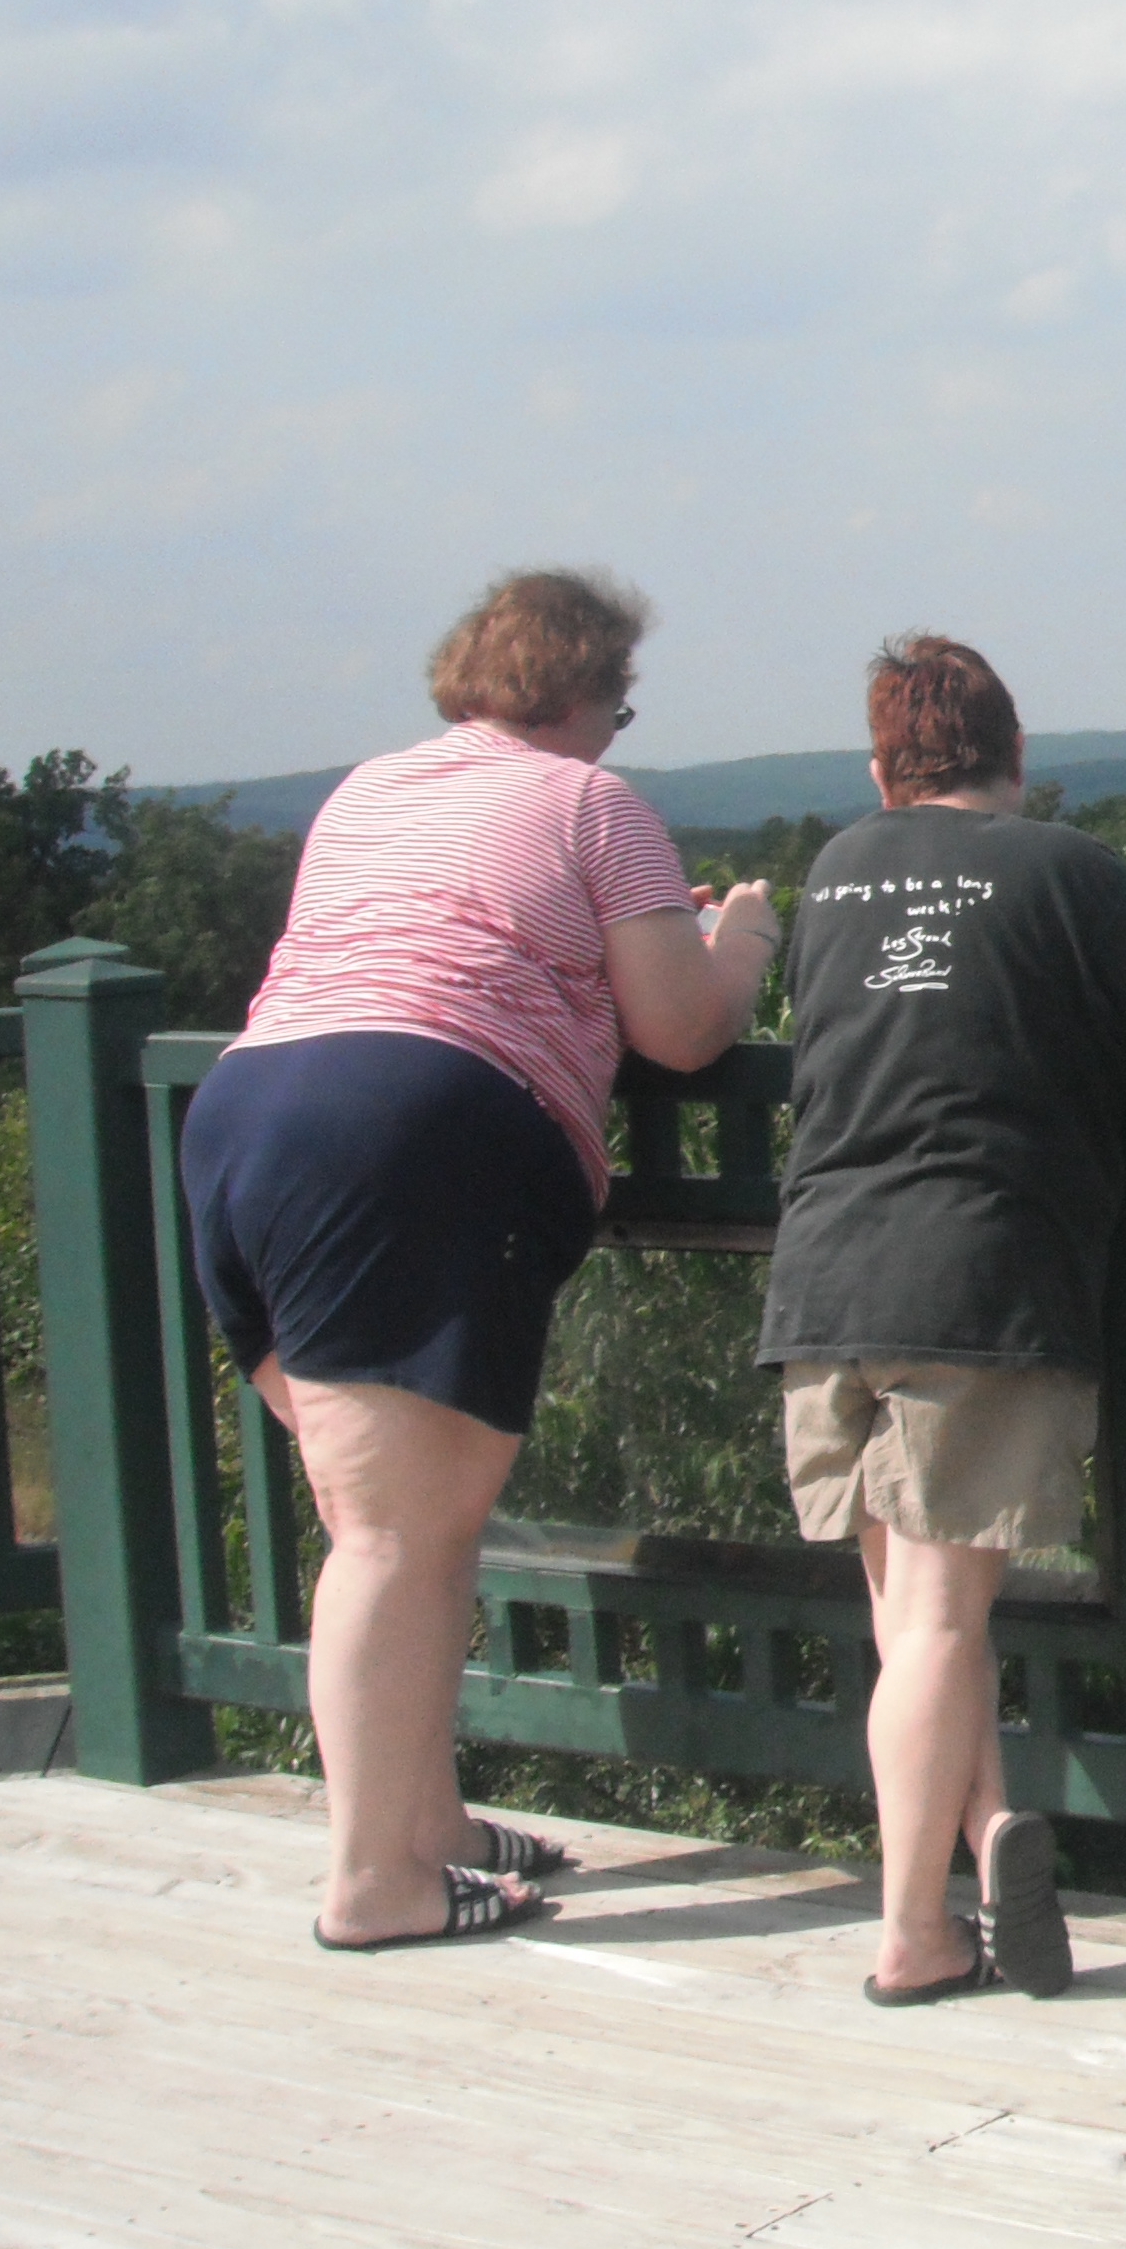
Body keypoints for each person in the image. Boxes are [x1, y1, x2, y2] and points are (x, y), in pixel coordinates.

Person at [181, 569, 778, 1950]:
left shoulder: (369, 790)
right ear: (576, 691)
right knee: (395, 1534)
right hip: (413, 1130)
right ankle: (370, 1883)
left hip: (249, 1119)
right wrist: (737, 940)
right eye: (618, 706)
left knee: (391, 1525)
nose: (617, 733)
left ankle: (425, 1828)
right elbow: (684, 1031)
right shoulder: (590, 804)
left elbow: (439, 938)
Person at [761, 635, 1126, 2004]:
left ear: (881, 769)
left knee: (907, 1617)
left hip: (823, 1275)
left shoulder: (836, 872)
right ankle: (913, 1935)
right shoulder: (1064, 870)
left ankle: (986, 1832)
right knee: (946, 1620)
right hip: (977, 1270)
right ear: (1016, 757)